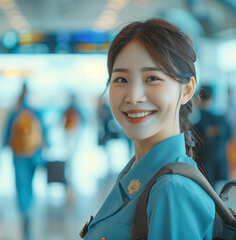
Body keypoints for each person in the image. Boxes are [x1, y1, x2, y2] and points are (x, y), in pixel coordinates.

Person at [80, 19, 215, 239]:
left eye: (152, 78)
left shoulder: (171, 190)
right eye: (121, 79)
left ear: (187, 90)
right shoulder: (137, 173)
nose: (133, 97)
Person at [2, 81, 47, 240]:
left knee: (21, 183)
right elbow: (45, 133)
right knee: (30, 182)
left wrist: (1, 151)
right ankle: (28, 207)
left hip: (18, 154)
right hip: (34, 154)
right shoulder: (36, 111)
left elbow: (6, 134)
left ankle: (24, 210)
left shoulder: (15, 113)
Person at [194, 85, 231, 188]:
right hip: (212, 159)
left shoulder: (198, 118)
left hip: (206, 160)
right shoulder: (219, 117)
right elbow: (226, 134)